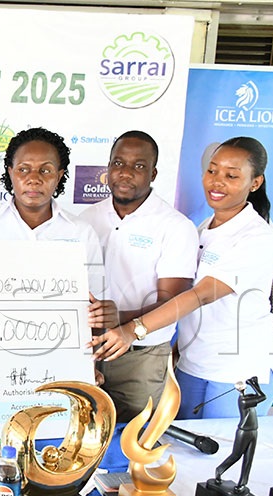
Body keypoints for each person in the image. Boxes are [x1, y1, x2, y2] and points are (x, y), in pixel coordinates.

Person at [91, 137, 273, 419]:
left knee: (225, 457)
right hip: (194, 364)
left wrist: (132, 329)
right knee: (188, 455)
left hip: (239, 368)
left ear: (255, 183)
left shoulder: (256, 237)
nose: (217, 181)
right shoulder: (204, 228)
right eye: (212, 170)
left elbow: (199, 295)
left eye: (231, 175)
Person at [79, 131, 199, 423]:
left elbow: (172, 301)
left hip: (140, 357)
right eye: (118, 163)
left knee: (132, 439)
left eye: (138, 166)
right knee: (82, 436)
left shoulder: (175, 227)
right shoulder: (84, 221)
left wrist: (119, 318)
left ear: (154, 173)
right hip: (86, 350)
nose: (125, 173)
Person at [0, 127, 103, 295]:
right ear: (10, 172)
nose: (34, 179)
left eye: (45, 170)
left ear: (58, 176)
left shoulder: (81, 232)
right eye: (23, 169)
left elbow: (95, 295)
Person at [209, 377, 265, 496]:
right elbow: (262, 397)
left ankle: (242, 484)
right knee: (236, 456)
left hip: (254, 431)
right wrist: (254, 384)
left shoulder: (249, 397)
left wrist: (255, 384)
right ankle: (219, 470)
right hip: (243, 432)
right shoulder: (243, 400)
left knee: (249, 459)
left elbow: (258, 395)